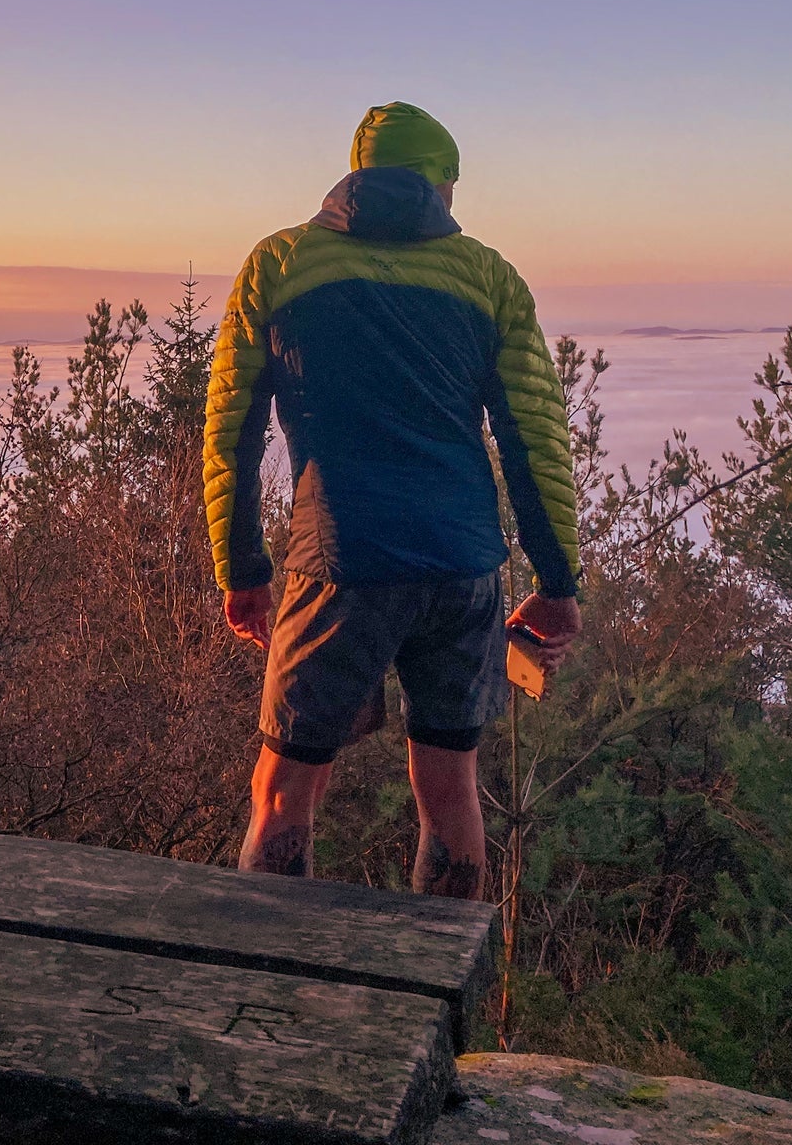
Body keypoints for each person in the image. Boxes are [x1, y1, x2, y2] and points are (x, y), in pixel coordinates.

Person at [201, 102, 582, 897]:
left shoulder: (281, 262)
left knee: (285, 792)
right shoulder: (488, 276)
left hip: (337, 560)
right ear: (441, 185)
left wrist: (241, 568)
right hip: (462, 566)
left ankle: (268, 991)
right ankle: (444, 1002)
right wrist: (556, 585)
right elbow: (534, 437)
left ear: (356, 176)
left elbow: (231, 429)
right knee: (450, 791)